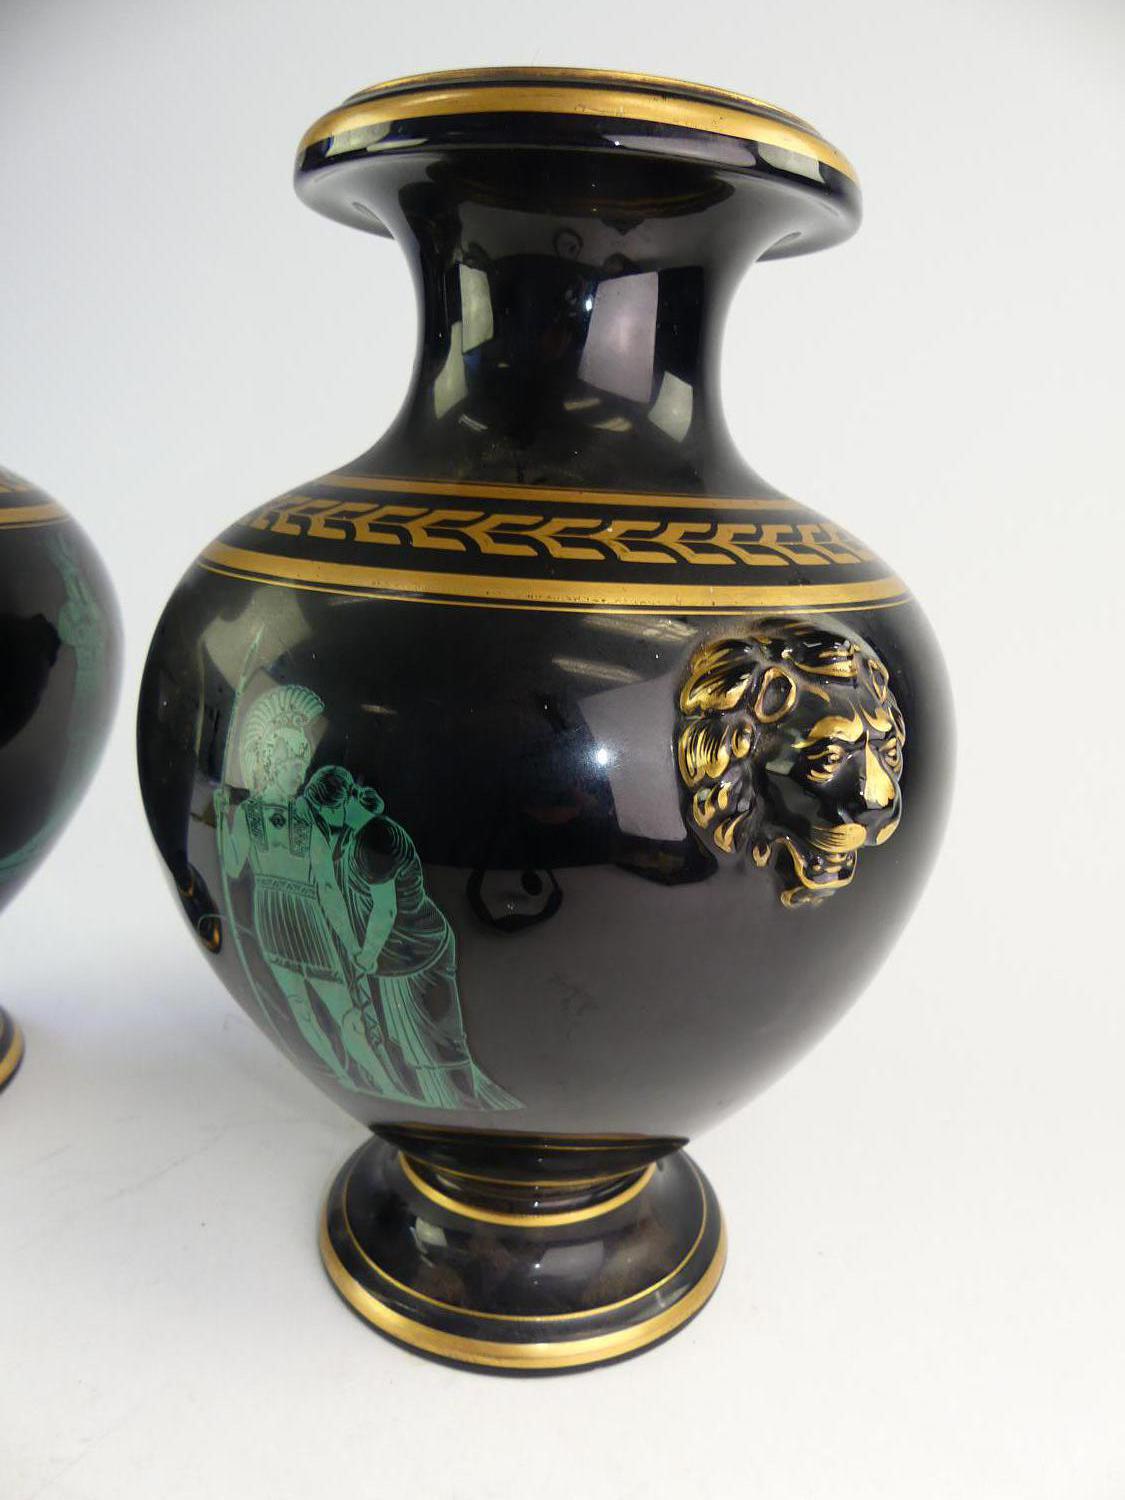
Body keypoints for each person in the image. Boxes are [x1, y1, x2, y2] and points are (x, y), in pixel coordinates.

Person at [304, 765, 520, 1111]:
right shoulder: (357, 833)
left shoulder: (376, 837)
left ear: (337, 804)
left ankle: (466, 1105)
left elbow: (385, 909)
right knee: (414, 1044)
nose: (325, 819)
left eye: (324, 811)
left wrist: (367, 955)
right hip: (399, 953)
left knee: (439, 1042)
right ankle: (453, 1109)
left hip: (417, 950)